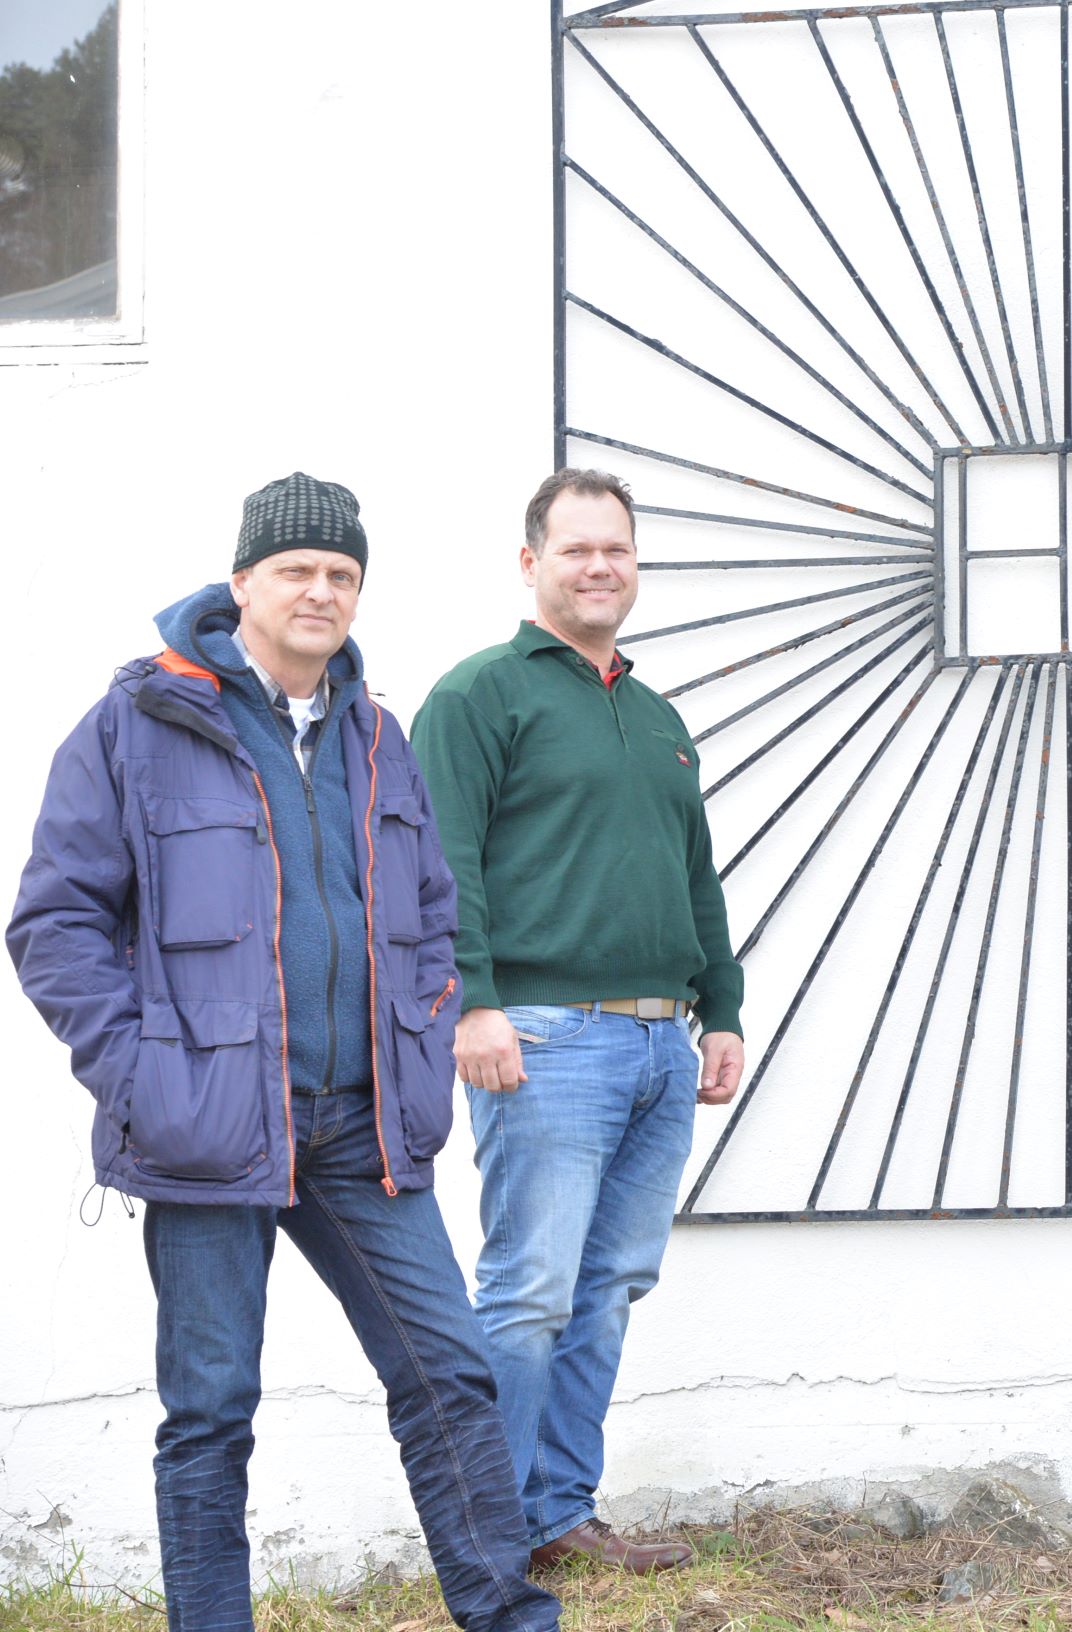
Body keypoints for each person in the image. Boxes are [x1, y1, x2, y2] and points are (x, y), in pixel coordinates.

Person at [8, 472, 560, 1631]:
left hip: (362, 1124)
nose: (320, 590)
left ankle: (510, 1618)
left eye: (341, 573)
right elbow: (55, 923)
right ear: (243, 582)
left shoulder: (376, 735)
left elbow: (430, 913)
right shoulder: (140, 724)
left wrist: (419, 1039)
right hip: (207, 1125)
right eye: (296, 569)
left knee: (449, 1375)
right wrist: (143, 1076)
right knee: (210, 1410)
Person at [412, 467, 745, 1575]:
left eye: (617, 549)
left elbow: (695, 876)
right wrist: (473, 1004)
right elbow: (440, 867)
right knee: (530, 1290)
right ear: (531, 563)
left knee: (607, 1290)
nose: (600, 567)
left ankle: (558, 1512)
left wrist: (721, 1009)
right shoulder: (480, 696)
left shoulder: (656, 718)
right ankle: (489, 1534)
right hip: (543, 1038)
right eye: (576, 549)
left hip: (659, 1043)